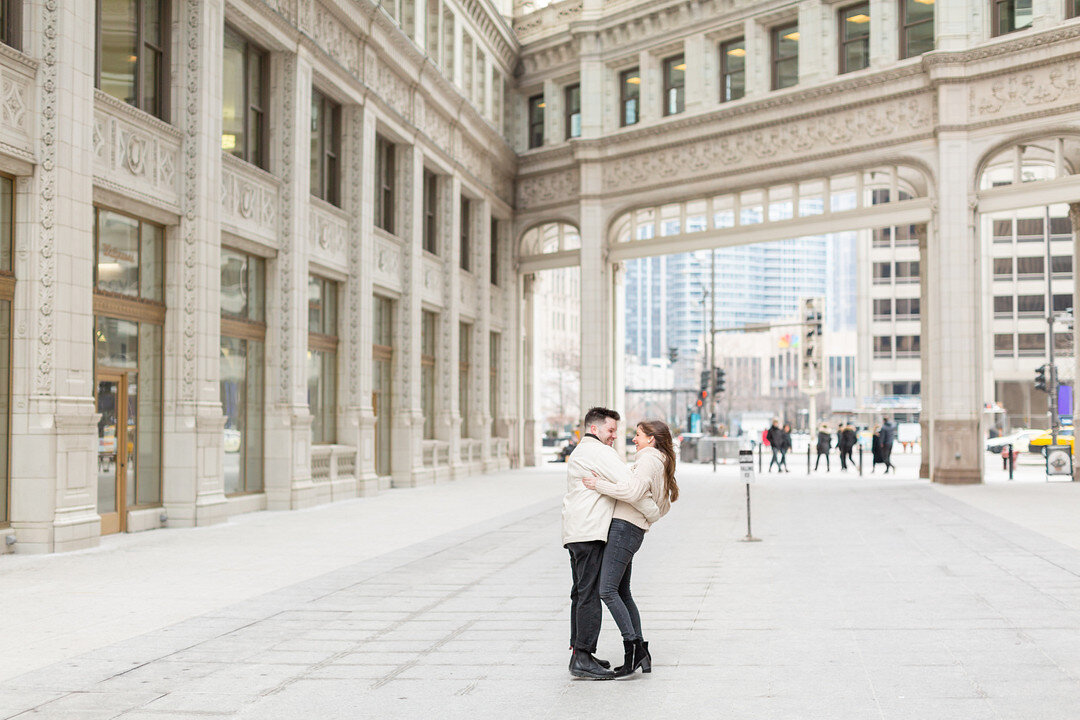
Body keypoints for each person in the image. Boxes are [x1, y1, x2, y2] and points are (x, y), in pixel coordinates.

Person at [562, 407, 660, 680]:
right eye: (611, 430)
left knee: (581, 593)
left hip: (577, 530)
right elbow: (631, 485)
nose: (614, 436)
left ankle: (580, 653)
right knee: (592, 593)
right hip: (590, 530)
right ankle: (582, 656)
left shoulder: (582, 450)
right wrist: (653, 512)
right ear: (595, 429)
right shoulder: (599, 451)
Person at [582, 420, 678, 677]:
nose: (634, 439)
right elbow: (662, 505)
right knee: (623, 591)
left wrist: (597, 484)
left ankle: (632, 647)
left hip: (625, 528)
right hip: (632, 529)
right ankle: (642, 652)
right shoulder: (661, 461)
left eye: (638, 435)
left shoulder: (648, 459)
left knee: (607, 590)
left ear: (652, 439)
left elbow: (634, 491)